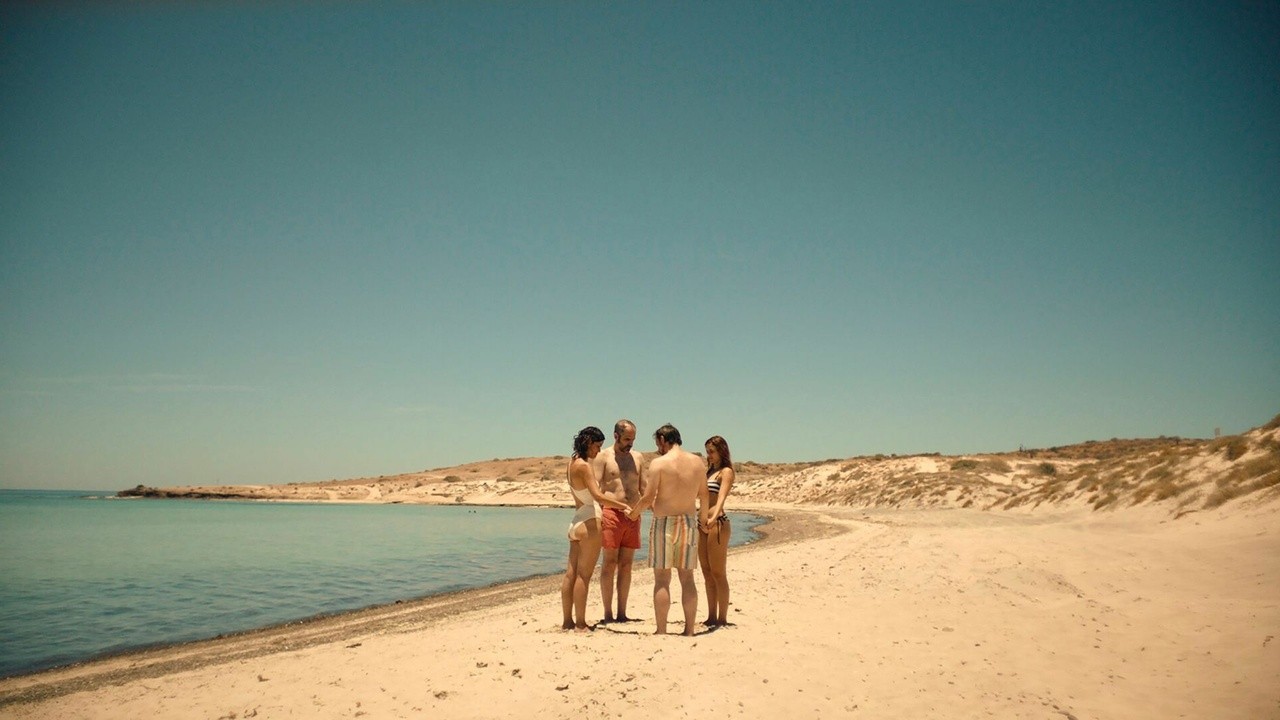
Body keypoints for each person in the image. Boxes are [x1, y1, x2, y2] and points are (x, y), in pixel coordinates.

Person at [627, 423, 709, 636]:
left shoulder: (659, 463)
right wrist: (703, 520)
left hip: (664, 522)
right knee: (687, 578)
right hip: (688, 521)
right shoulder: (697, 462)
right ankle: (689, 630)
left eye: (658, 444)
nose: (658, 449)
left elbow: (648, 497)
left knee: (662, 579)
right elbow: (704, 495)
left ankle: (662, 630)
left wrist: (634, 514)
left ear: (663, 440)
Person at [560, 426, 631, 631]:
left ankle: (567, 621)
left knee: (570, 574)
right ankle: (581, 623)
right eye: (597, 446)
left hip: (576, 521)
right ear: (589, 443)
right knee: (584, 575)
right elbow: (598, 496)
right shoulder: (584, 467)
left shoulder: (571, 463)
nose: (599, 451)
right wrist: (622, 506)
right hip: (590, 521)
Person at [592, 419, 645, 623]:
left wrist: (641, 509)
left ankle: (622, 613)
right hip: (611, 514)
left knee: (626, 565)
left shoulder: (638, 457)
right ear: (616, 436)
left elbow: (644, 488)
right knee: (609, 563)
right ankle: (608, 613)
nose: (630, 443)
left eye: (633, 439)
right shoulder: (603, 457)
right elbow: (596, 489)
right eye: (626, 439)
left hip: (633, 515)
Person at [699, 435, 736, 626]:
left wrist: (713, 518)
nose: (709, 455)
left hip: (717, 523)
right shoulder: (708, 473)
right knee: (706, 572)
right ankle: (711, 616)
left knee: (718, 572)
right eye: (707, 452)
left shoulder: (726, 472)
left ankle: (722, 618)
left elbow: (721, 497)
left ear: (721, 451)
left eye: (712, 451)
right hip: (702, 524)